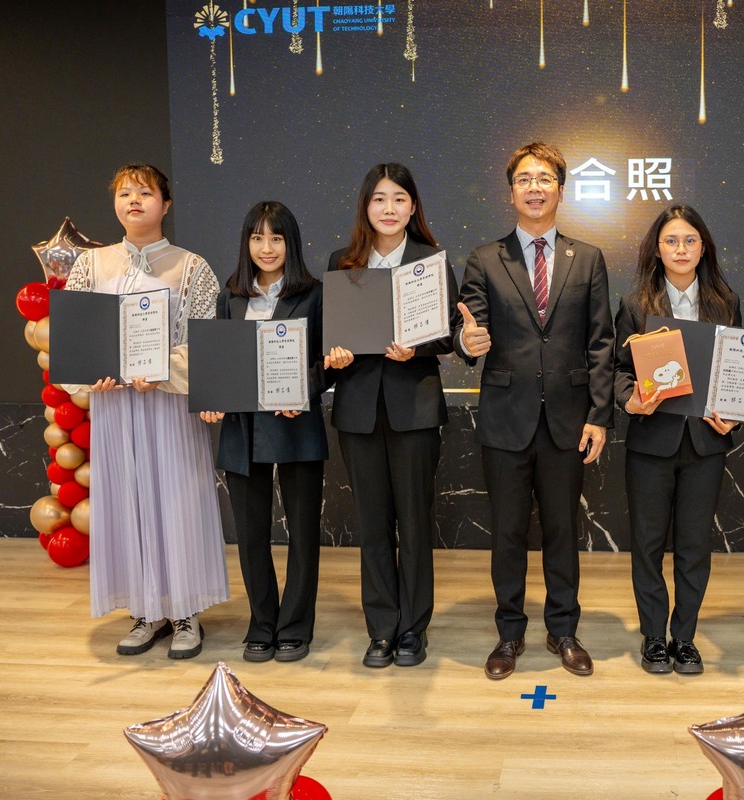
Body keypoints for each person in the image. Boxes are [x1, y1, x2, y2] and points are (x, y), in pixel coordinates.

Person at [455, 142, 615, 680]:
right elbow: (469, 330)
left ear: (561, 190)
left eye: (544, 178)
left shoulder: (587, 257)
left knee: (563, 530)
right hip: (505, 415)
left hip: (569, 420)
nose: (535, 187)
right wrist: (467, 340)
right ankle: (509, 633)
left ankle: (563, 629)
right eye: (524, 179)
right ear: (511, 191)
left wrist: (599, 415)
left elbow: (601, 343)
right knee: (506, 531)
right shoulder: (483, 258)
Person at [63, 163, 228, 658]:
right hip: (115, 406)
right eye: (124, 193)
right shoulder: (90, 266)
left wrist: (162, 372)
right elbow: (76, 338)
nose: (134, 201)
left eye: (145, 192)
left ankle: (184, 612)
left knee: (177, 499)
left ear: (166, 204)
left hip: (168, 405)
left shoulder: (192, 267)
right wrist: (90, 372)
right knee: (127, 499)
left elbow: (205, 342)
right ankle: (143, 609)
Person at [323, 163, 460, 668]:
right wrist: (333, 356)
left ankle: (413, 630)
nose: (388, 208)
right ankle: (381, 628)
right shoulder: (344, 262)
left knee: (415, 524)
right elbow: (327, 334)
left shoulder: (431, 260)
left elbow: (448, 334)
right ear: (366, 207)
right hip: (358, 410)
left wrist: (418, 349)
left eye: (399, 198)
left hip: (414, 408)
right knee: (372, 524)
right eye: (378, 199)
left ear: (413, 207)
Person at [614, 205, 741, 675]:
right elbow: (618, 372)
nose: (681, 249)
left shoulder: (725, 302)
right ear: (657, 249)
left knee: (694, 546)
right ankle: (653, 637)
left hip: (706, 443)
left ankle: (684, 638)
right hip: (651, 441)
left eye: (690, 240)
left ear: (703, 246)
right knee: (647, 544)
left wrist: (735, 416)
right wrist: (632, 401)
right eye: (671, 241)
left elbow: (738, 374)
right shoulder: (634, 305)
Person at [199, 201, 327, 663]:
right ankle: (262, 623)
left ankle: (295, 626)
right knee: (251, 533)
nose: (266, 248)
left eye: (276, 238)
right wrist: (212, 397)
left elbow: (324, 365)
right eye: (257, 238)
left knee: (302, 532)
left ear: (290, 243)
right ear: (246, 243)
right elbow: (219, 361)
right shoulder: (230, 298)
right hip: (242, 428)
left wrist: (303, 391)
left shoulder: (314, 293)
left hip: (296, 426)